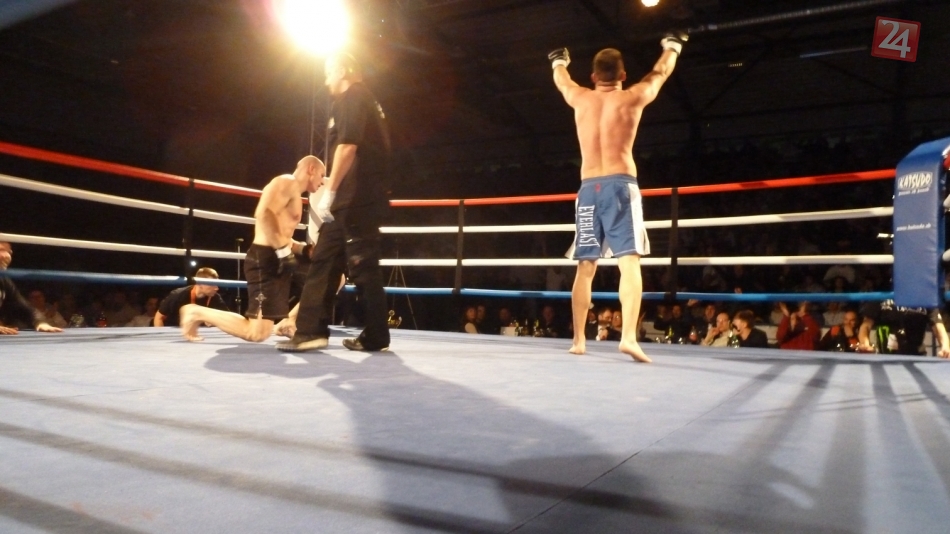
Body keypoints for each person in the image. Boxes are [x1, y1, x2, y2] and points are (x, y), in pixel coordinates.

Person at [549, 32, 685, 362]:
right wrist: (673, 45)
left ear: (593, 76)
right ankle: (628, 338)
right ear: (623, 75)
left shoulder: (580, 98)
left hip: (588, 189)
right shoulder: (631, 98)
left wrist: (558, 60)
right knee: (629, 262)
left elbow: (562, 81)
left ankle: (579, 340)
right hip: (620, 186)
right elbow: (660, 72)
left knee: (585, 266)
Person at [277, 52, 392, 353]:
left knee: (363, 266)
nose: (326, 80)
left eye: (329, 73)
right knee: (324, 261)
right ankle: (311, 331)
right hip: (353, 198)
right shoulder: (365, 99)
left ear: (341, 70)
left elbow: (348, 146)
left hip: (356, 199)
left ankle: (375, 334)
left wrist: (330, 191)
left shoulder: (353, 96)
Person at [178, 157, 324, 341]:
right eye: (322, 175)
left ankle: (289, 322)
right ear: (311, 169)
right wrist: (283, 251)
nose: (323, 181)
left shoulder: (295, 194)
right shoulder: (286, 182)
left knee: (332, 275)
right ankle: (196, 312)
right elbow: (263, 214)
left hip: (282, 256)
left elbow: (282, 236)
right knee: (256, 333)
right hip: (265, 260)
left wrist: (303, 249)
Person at [0, 241, 62, 335]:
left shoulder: (4, 280)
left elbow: (25, 307)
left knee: (20, 325)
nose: (7, 256)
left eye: (9, 252)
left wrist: (41, 323)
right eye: (1, 250)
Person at [856, 300, 950, 357]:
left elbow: (938, 326)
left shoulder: (924, 299)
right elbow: (866, 325)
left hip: (916, 355)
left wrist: (945, 347)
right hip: (886, 356)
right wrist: (865, 344)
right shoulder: (883, 295)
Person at [155, 267, 230, 328]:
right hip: (173, 331)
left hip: (197, 333)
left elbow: (228, 318)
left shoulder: (215, 297)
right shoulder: (178, 295)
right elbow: (158, 318)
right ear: (200, 284)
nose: (216, 288)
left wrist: (215, 320)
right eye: (212, 284)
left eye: (216, 284)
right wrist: (162, 338)